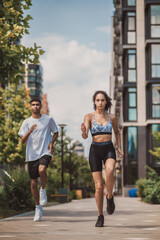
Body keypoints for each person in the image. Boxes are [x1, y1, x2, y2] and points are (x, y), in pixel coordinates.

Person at [81, 90, 124, 227]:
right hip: (95, 150)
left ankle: (110, 197)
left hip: (109, 148)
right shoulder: (89, 117)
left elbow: (117, 133)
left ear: (106, 102)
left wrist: (118, 147)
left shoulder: (112, 117)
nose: (100, 103)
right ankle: (100, 215)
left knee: (110, 170)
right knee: (99, 187)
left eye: (102, 100)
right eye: (98, 100)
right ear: (94, 102)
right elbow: (85, 136)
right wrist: (83, 130)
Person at [18, 98, 58, 221]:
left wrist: (51, 142)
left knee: (42, 170)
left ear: (40, 106)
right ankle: (37, 207)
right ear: (30, 107)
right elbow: (22, 141)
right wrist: (30, 130)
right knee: (33, 182)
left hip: (45, 151)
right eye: (33, 105)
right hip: (32, 155)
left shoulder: (48, 119)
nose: (35, 106)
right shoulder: (26, 122)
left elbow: (55, 132)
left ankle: (43, 190)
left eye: (37, 104)